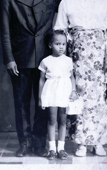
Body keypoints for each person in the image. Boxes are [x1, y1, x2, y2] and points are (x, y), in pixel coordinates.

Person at [54, 0, 107, 157]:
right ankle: (81, 143)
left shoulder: (104, 0)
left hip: (100, 55)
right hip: (77, 55)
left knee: (100, 97)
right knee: (78, 95)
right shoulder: (67, 2)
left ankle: (98, 142)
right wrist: (64, 56)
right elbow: (60, 30)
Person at [0, 0, 62, 157]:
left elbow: (69, 10)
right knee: (22, 103)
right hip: (20, 58)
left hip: (46, 59)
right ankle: (24, 144)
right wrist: (9, 58)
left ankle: (39, 145)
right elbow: (5, 32)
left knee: (43, 102)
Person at [38, 30, 77, 160]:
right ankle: (51, 149)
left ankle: (61, 148)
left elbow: (72, 78)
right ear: (50, 45)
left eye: (63, 44)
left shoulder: (68, 61)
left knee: (63, 121)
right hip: (51, 93)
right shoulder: (46, 61)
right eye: (57, 44)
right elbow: (42, 80)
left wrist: (73, 91)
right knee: (51, 120)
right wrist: (40, 97)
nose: (61, 47)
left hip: (64, 93)